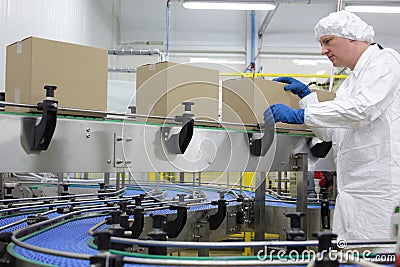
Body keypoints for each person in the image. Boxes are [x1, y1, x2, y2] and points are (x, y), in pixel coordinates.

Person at [264, 10, 400, 240]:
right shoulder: (349, 83)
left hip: (380, 191)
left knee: (378, 256)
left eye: (328, 41)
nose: (323, 50)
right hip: (351, 192)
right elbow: (331, 132)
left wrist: (302, 115)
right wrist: (307, 96)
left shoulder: (385, 60)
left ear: (352, 37)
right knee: (349, 256)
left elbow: (363, 109)